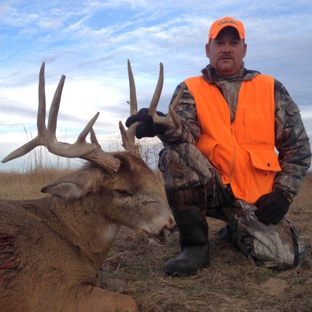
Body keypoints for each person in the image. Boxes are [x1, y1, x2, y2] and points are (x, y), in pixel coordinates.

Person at [126, 16, 311, 277]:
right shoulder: (191, 88)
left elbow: (298, 147)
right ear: (208, 49)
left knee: (287, 258)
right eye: (219, 42)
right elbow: (184, 133)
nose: (226, 48)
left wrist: (284, 194)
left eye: (233, 42)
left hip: (255, 200)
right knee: (177, 154)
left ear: (243, 49)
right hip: (209, 187)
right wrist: (160, 126)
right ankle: (195, 247)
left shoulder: (271, 88)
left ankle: (236, 231)